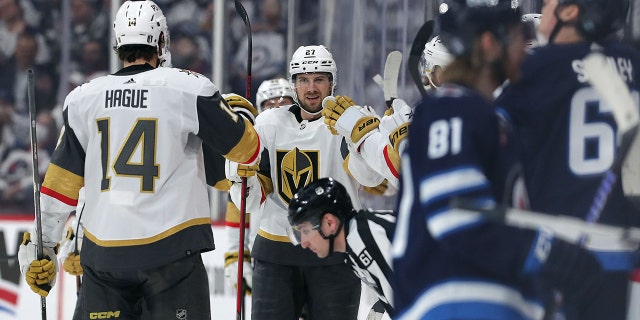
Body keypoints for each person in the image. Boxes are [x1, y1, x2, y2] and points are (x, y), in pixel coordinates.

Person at [16, 1, 262, 319]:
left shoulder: (83, 98)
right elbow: (247, 150)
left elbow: (59, 184)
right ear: (161, 43)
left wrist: (42, 245)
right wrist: (236, 114)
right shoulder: (189, 88)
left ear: (118, 44)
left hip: (104, 258)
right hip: (171, 256)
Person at [391, 1, 607, 319]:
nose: (527, 48)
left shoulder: (490, 117)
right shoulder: (451, 109)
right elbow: (455, 213)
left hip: (491, 300)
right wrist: (545, 251)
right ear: (490, 45)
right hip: (453, 300)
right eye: (520, 37)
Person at [495, 0, 640, 319]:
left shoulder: (535, 68)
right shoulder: (634, 64)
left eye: (549, 2)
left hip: (557, 257)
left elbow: (489, 140)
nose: (545, 7)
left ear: (571, 12)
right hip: (624, 260)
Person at [225, 44, 386, 320]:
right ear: (293, 84)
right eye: (303, 80)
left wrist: (358, 134)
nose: (311, 88)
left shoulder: (346, 121)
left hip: (334, 256)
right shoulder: (267, 123)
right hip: (276, 254)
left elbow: (370, 177)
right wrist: (240, 173)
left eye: (319, 79)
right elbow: (249, 203)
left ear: (332, 83)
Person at [286, 177, 395, 316]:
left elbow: (414, 298)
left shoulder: (365, 238)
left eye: (305, 230)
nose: (304, 243)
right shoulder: (354, 246)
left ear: (329, 223)